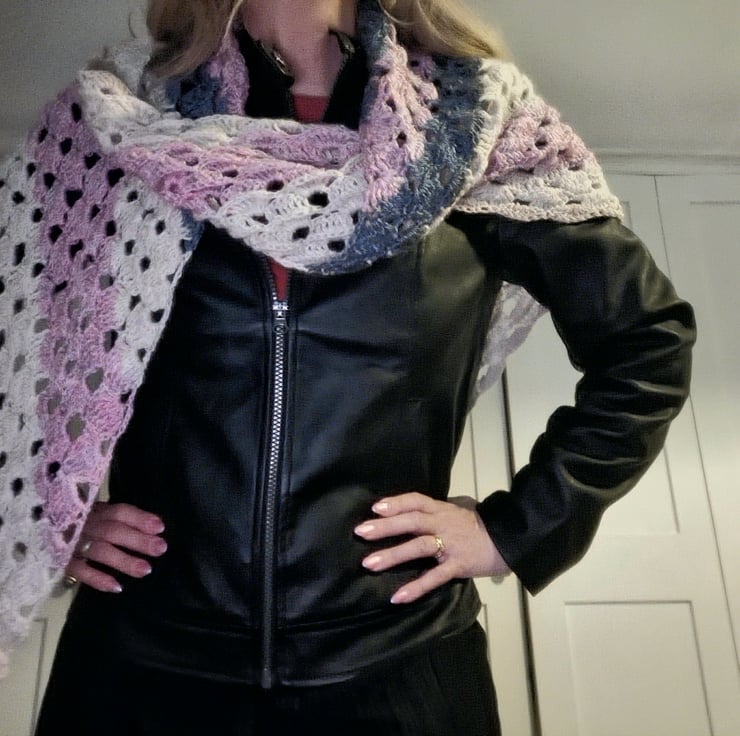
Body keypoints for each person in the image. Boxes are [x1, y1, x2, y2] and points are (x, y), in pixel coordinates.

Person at [0, 0, 695, 733]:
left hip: (400, 670)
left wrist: (517, 531)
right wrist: (45, 512)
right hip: (140, 669)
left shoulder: (482, 123)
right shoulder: (117, 114)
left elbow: (647, 340)